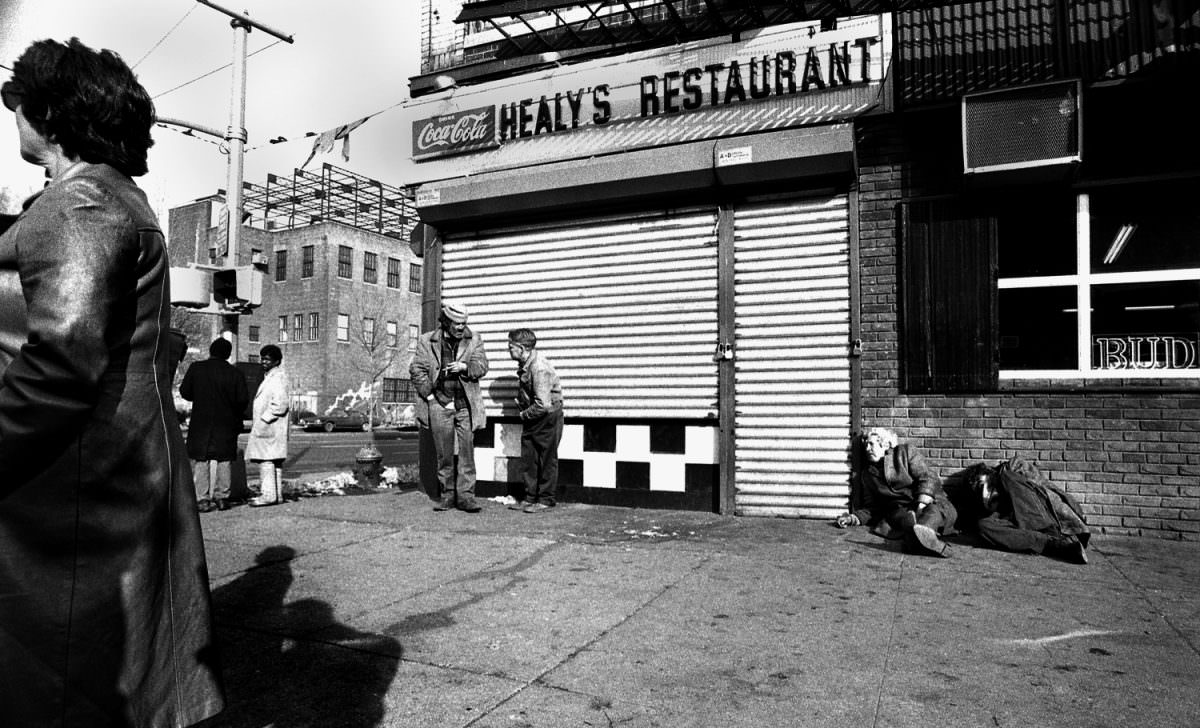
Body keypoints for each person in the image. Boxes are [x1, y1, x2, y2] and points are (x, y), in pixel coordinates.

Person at [0, 38, 223, 725]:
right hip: (116, 471)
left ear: (52, 114)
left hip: (76, 488)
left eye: (19, 106)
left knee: (72, 684)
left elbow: (58, 367)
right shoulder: (116, 196)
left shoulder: (78, 205)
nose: (13, 119)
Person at [410, 301, 489, 512]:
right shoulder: (427, 341)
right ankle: (447, 496)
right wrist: (429, 398)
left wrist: (465, 367)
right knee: (444, 454)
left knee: (467, 454)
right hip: (439, 404)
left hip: (465, 406)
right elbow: (417, 371)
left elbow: (482, 366)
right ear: (446, 321)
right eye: (456, 323)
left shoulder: (475, 339)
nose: (461, 327)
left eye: (464, 323)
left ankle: (466, 498)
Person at [835, 427, 957, 557]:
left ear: (885, 444)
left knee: (931, 512)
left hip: (932, 504)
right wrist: (853, 518)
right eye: (865, 445)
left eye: (871, 444)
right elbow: (872, 508)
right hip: (902, 514)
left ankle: (923, 535)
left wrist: (921, 505)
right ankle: (922, 540)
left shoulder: (905, 453)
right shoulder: (867, 475)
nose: (867, 449)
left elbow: (928, 477)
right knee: (905, 518)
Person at [959, 456, 1090, 564]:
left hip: (1046, 517)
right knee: (983, 525)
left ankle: (1054, 536)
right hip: (1021, 525)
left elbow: (1043, 489)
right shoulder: (987, 502)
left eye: (983, 486)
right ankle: (1051, 544)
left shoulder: (1010, 471)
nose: (985, 493)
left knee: (1009, 477)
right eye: (978, 490)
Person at [181, 337, 250, 512]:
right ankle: (222, 498)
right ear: (227, 354)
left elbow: (185, 393)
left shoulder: (197, 368)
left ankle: (202, 499)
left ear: (211, 351)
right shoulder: (235, 373)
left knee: (201, 461)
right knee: (224, 460)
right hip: (226, 424)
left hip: (201, 423)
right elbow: (242, 400)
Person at [506, 328, 564, 514]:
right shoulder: (528, 364)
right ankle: (530, 498)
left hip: (546, 417)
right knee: (530, 458)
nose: (508, 350)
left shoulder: (538, 367)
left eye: (511, 347)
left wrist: (523, 415)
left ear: (522, 348)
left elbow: (543, 404)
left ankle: (546, 499)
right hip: (536, 417)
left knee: (546, 458)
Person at [246, 344, 290, 507]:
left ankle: (268, 495)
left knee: (266, 461)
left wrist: (264, 420)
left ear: (276, 361)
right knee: (274, 462)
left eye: (267, 359)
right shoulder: (273, 376)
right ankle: (276, 495)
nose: (263, 362)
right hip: (272, 429)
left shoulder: (277, 378)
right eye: (262, 358)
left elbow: (280, 404)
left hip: (270, 427)